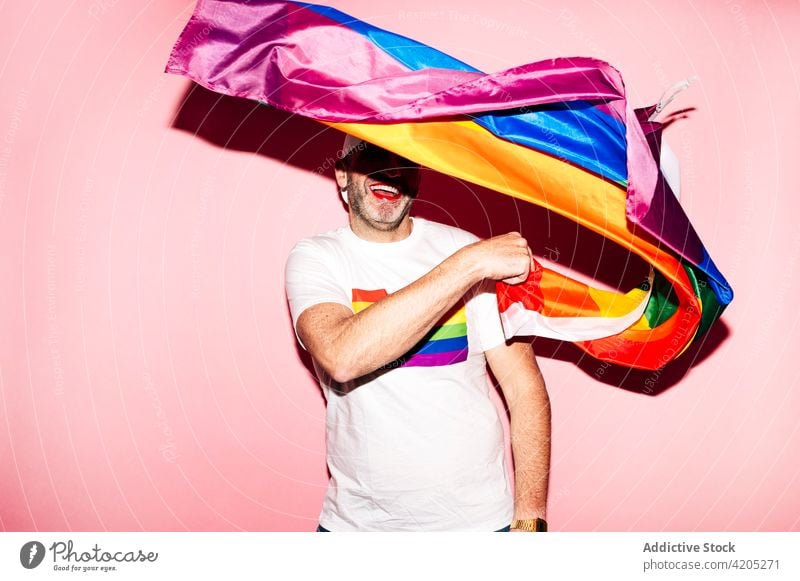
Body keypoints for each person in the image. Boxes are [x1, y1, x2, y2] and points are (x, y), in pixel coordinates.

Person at [285, 135, 551, 532]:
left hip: (480, 526)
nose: (390, 170)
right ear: (341, 174)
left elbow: (523, 388)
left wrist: (531, 519)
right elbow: (341, 357)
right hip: (359, 529)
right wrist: (468, 265)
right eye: (371, 154)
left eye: (404, 158)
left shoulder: (463, 248)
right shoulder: (317, 258)